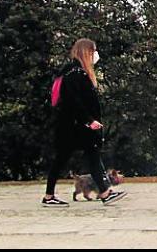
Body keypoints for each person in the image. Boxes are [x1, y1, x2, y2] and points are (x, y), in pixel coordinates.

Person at [42, 39, 126, 206]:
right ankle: (103, 192)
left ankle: (103, 192)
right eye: (93, 51)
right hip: (76, 126)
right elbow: (75, 101)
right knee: (70, 157)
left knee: (86, 156)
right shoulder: (75, 74)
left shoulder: (72, 72)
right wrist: (89, 120)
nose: (96, 55)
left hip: (73, 125)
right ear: (86, 52)